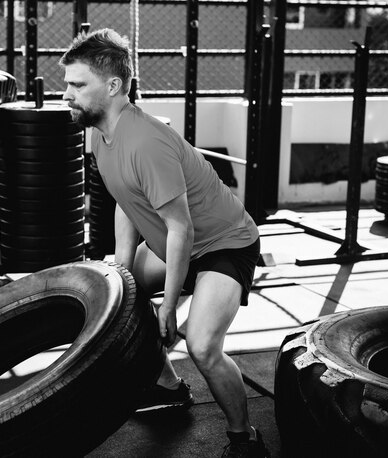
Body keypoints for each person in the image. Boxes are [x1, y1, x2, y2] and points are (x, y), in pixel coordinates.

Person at [59, 28, 269, 458]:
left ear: (114, 86)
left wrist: (169, 304)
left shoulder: (146, 142)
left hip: (223, 244)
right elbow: (125, 203)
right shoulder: (98, 134)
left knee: (203, 345)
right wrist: (120, 272)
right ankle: (169, 386)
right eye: (68, 84)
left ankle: (244, 437)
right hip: (176, 242)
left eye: (77, 85)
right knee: (121, 296)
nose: (67, 94)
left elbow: (182, 229)